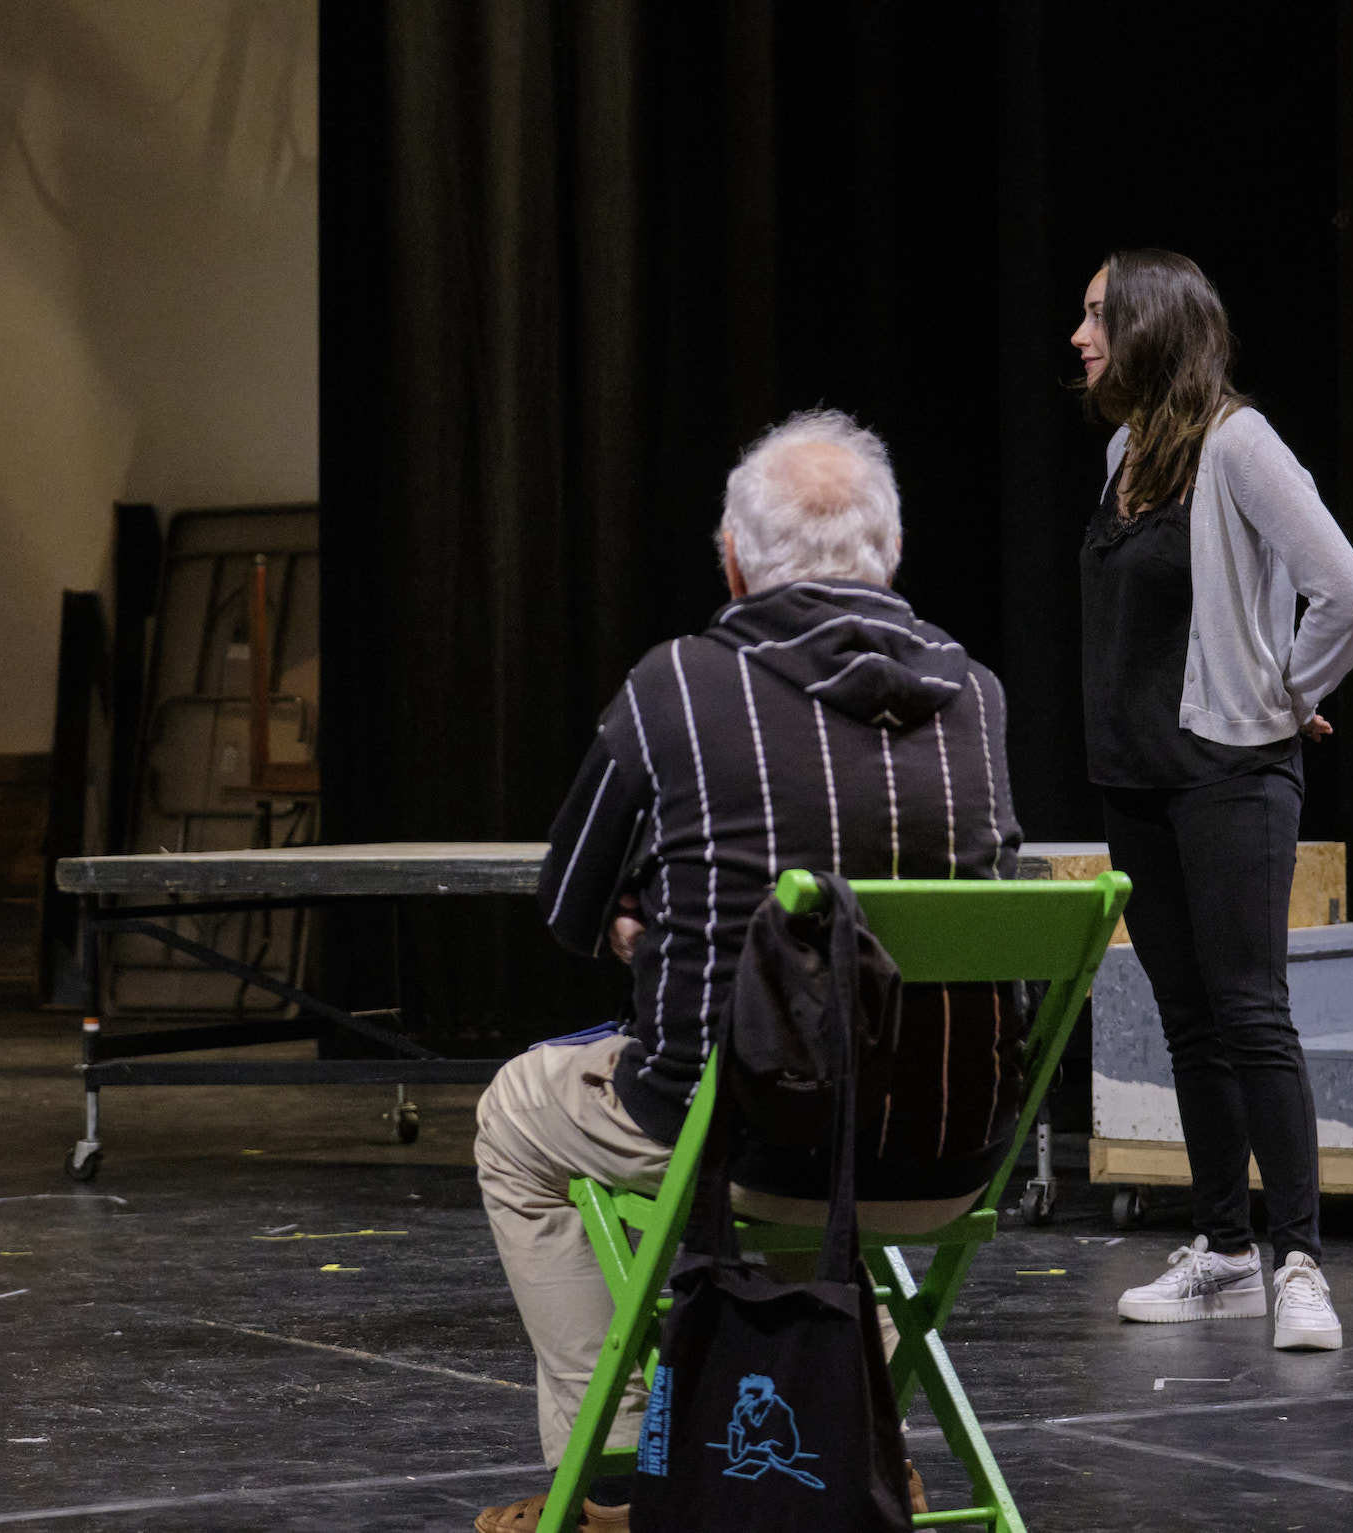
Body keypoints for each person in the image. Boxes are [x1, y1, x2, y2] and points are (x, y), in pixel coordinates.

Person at [472, 410, 1024, 1531]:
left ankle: (626, 1468)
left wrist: (645, 930)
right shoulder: (980, 698)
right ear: (891, 554)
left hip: (740, 1142)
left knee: (516, 1116)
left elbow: (570, 905)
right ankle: (863, 1444)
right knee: (825, 1115)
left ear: (731, 562)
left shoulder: (674, 685)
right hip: (947, 1155)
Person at [1070, 249, 1353, 1351]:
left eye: (1097, 314)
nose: (1078, 335)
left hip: (1228, 774)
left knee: (1250, 1014)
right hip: (1135, 777)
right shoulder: (1123, 451)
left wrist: (1285, 690)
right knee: (1188, 1024)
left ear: (1150, 324)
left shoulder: (1234, 445)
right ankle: (1224, 1254)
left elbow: (1343, 588)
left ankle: (1299, 1264)